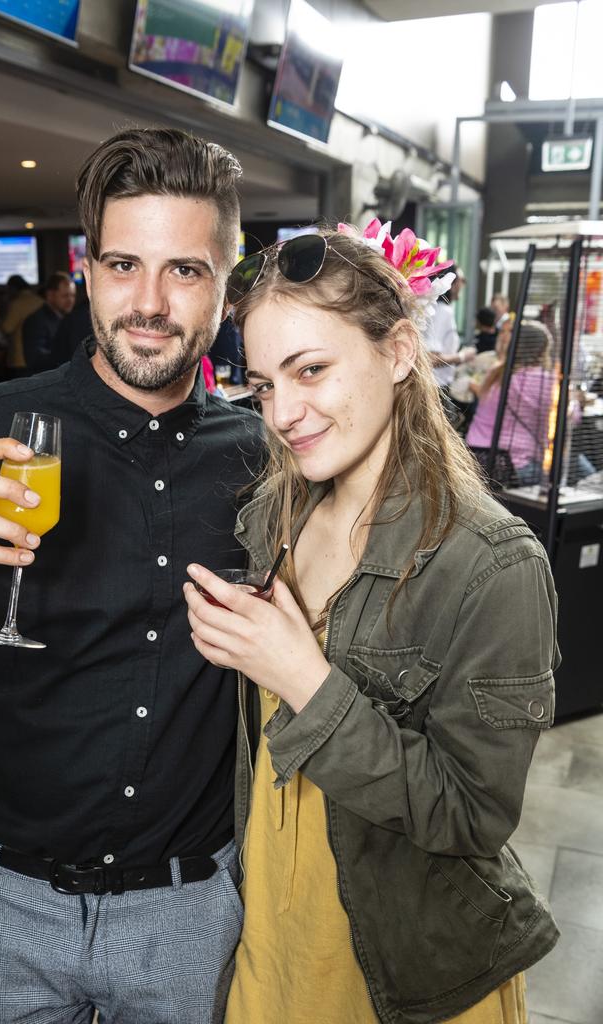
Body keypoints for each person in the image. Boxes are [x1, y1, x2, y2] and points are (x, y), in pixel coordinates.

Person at [0, 127, 263, 1024]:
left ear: (227, 285)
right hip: (5, 905)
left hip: (190, 908)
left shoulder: (266, 462)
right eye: (123, 264)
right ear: (87, 270)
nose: (148, 302)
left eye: (185, 271)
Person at [184, 224, 560, 1024]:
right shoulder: (268, 517)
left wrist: (303, 681)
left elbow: (473, 816)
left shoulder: (492, 564)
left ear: (397, 352)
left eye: (311, 370)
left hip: (413, 970)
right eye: (262, 386)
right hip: (273, 939)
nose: (283, 413)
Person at [466, 320, 555, 486]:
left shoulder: (497, 372)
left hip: (476, 458)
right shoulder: (544, 381)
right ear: (543, 349)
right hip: (516, 464)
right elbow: (565, 419)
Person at [424, 267, 476, 390]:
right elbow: (431, 358)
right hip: (435, 387)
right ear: (451, 284)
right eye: (462, 280)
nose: (463, 284)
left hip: (434, 386)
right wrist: (462, 356)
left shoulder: (438, 309)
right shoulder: (442, 311)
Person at [22, 271, 77, 373]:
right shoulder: (36, 321)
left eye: (73, 295)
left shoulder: (69, 319)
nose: (70, 300)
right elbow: (35, 360)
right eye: (65, 296)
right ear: (50, 295)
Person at [0, 274, 42, 377]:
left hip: (19, 357)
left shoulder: (16, 303)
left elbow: (7, 328)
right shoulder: (40, 301)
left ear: (13, 288)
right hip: (39, 355)